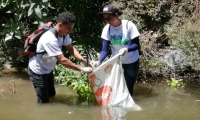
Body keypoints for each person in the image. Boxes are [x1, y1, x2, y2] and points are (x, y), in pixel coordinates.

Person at [28, 11, 93, 103]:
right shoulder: (50, 39)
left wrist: (83, 61)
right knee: (43, 102)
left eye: (71, 28)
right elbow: (63, 60)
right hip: (38, 71)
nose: (70, 31)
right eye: (68, 28)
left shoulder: (64, 33)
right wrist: (82, 69)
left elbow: (70, 48)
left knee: (52, 95)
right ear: (60, 25)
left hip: (48, 69)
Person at [91, 5, 141, 96]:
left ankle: (128, 106)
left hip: (131, 61)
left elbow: (136, 45)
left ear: (116, 15)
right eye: (105, 19)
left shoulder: (128, 25)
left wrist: (127, 49)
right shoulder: (107, 29)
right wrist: (99, 61)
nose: (107, 21)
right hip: (117, 62)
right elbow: (105, 50)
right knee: (116, 87)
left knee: (128, 88)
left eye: (109, 18)